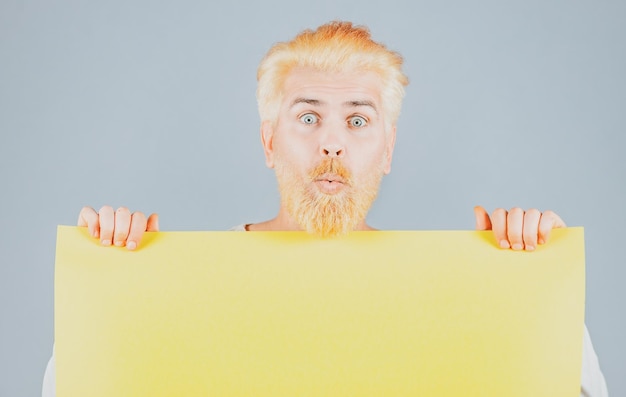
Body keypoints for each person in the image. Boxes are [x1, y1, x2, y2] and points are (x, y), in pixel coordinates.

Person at [42, 21, 608, 396]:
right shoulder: (171, 284)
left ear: (387, 150)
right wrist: (111, 283)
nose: (331, 143)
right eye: (308, 117)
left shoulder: (460, 285)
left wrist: (534, 282)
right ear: (269, 142)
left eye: (357, 120)